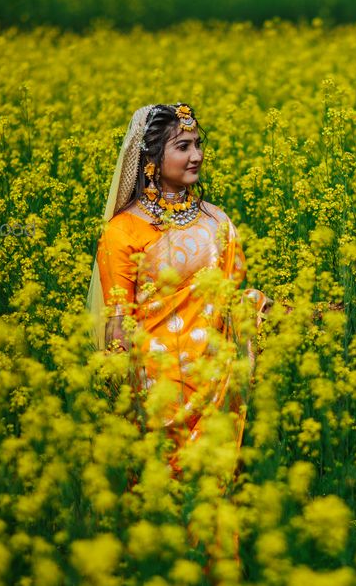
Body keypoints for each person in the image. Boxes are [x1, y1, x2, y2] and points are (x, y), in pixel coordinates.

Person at [85, 103, 269, 479]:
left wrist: (292, 313)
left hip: (217, 381)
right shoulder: (123, 231)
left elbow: (237, 299)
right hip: (157, 389)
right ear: (151, 158)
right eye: (182, 147)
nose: (197, 156)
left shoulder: (217, 220)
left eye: (197, 145)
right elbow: (117, 325)